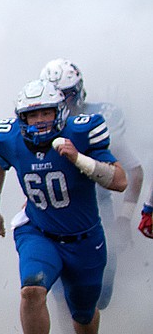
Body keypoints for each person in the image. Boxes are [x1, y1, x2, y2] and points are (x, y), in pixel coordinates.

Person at [0, 79, 126, 334]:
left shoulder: (81, 132)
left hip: (84, 238)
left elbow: (119, 180)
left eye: (46, 113)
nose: (40, 121)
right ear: (22, 118)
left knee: (83, 313)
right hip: (39, 231)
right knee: (32, 288)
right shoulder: (9, 138)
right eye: (32, 115)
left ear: (59, 112)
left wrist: (78, 159)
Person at [40, 59, 143, 309]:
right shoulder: (37, 126)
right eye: (57, 97)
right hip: (55, 214)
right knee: (63, 296)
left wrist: (124, 218)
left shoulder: (97, 121)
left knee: (101, 296)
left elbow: (135, 171)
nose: (63, 103)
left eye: (67, 95)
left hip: (97, 210)